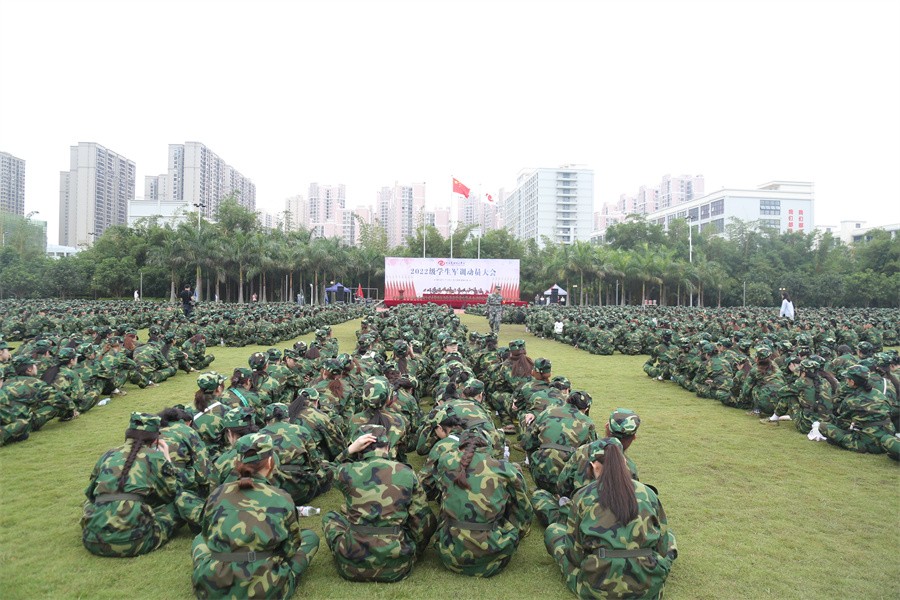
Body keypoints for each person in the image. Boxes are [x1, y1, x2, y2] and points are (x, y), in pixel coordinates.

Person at [191, 433, 320, 598]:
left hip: (214, 589)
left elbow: (207, 535)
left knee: (199, 540)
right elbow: (290, 549)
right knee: (310, 537)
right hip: (266, 590)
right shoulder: (281, 498)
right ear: (270, 462)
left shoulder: (217, 494)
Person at [544, 441, 677, 599]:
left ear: (594, 466)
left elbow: (575, 555)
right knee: (670, 536)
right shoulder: (648, 493)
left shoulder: (583, 496)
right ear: (625, 464)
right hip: (647, 590)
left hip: (598, 589)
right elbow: (662, 547)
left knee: (554, 531)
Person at [322, 426, 436, 582]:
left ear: (360, 449)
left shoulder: (347, 471)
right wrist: (415, 549)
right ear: (387, 447)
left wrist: (348, 450)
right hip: (397, 567)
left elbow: (323, 472)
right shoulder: (406, 472)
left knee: (330, 517)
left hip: (351, 566)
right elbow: (423, 518)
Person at [81, 412, 200, 557]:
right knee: (179, 502)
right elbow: (172, 492)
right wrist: (167, 459)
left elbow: (91, 494)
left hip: (92, 541)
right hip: (136, 543)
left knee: (92, 501)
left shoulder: (107, 455)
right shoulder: (155, 457)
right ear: (155, 439)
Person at [433, 429, 533, 577]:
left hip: (450, 554)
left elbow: (439, 490)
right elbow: (523, 510)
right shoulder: (504, 469)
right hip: (491, 555)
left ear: (460, 446)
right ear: (487, 446)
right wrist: (519, 532)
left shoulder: (445, 462)